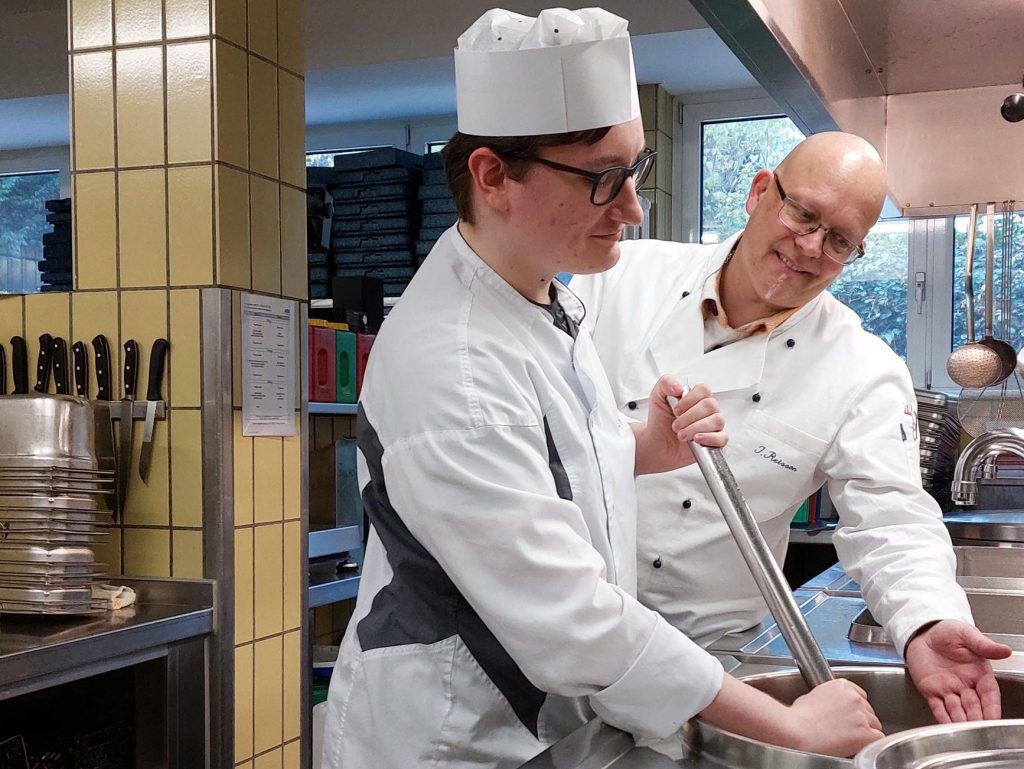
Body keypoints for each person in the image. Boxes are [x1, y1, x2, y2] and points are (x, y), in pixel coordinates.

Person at [319, 9, 885, 769]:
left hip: (544, 725)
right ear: (493, 177)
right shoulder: (451, 361)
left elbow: (540, 467)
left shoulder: (541, 294)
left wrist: (639, 446)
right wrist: (791, 728)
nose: (634, 208)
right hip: (452, 737)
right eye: (603, 181)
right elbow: (571, 622)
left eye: (636, 170)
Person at [571, 130, 1014, 726]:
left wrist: (926, 620)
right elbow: (543, 440)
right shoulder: (617, 278)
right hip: (570, 629)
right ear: (759, 192)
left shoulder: (862, 367)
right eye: (803, 214)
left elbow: (893, 519)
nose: (809, 248)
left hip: (715, 663)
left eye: (839, 242)